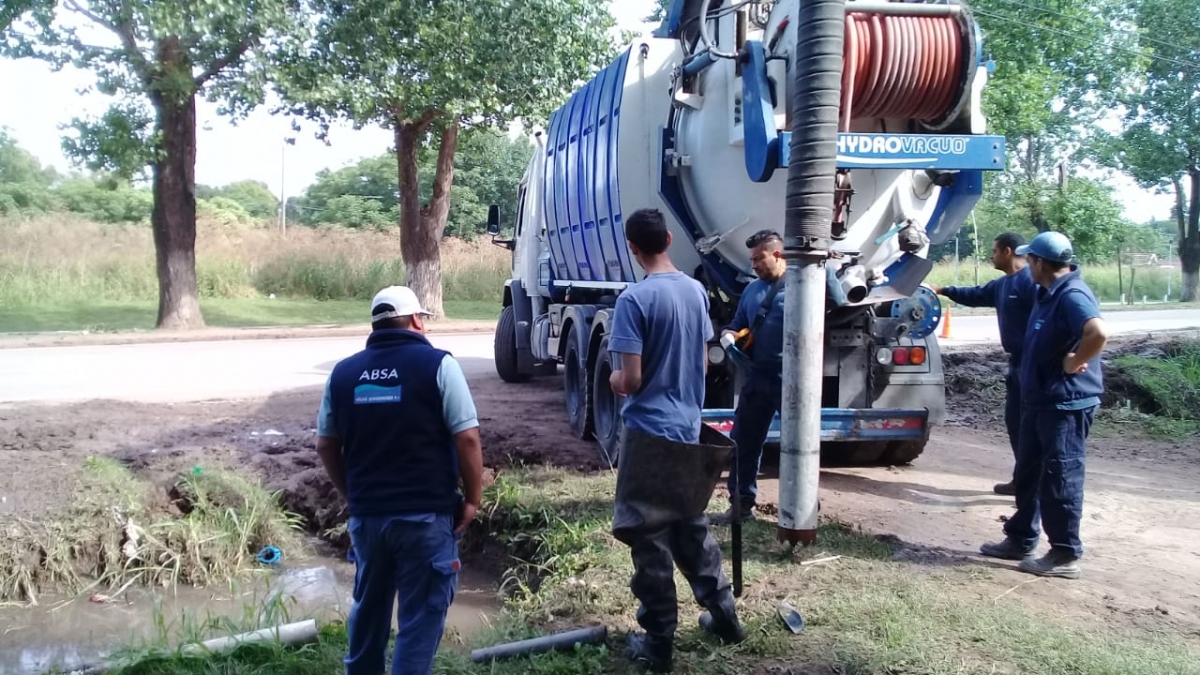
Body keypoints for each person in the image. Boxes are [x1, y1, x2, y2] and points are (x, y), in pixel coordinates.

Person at [314, 285, 484, 675]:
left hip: (368, 517)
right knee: (420, 620)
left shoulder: (343, 373)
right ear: (414, 321)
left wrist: (352, 495)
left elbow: (326, 445)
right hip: (425, 516)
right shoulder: (439, 364)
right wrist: (472, 499)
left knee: (369, 611)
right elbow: (468, 438)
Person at [607, 208, 745, 672]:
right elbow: (705, 364)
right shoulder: (694, 291)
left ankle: (659, 641)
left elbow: (630, 379)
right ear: (667, 238)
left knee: (648, 535)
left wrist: (612, 380)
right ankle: (725, 616)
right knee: (689, 522)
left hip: (649, 435)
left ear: (633, 247)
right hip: (689, 429)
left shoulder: (634, 300)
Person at [978, 231, 1109, 580]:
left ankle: (1065, 554)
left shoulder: (1072, 294)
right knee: (1029, 472)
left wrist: (1075, 361)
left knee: (1059, 477)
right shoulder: (1045, 291)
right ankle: (1021, 538)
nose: (1025, 266)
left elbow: (1097, 333)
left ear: (1038, 262)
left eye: (1029, 260)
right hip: (1038, 399)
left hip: (1064, 404)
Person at [931, 232, 1038, 496]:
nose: (991, 255)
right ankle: (1021, 480)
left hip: (1033, 364)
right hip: (1016, 365)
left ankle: (1035, 487)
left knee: (1032, 428)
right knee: (1015, 424)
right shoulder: (1003, 285)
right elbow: (976, 294)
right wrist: (942, 290)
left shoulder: (1030, 283)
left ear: (1008, 251)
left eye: (994, 250)